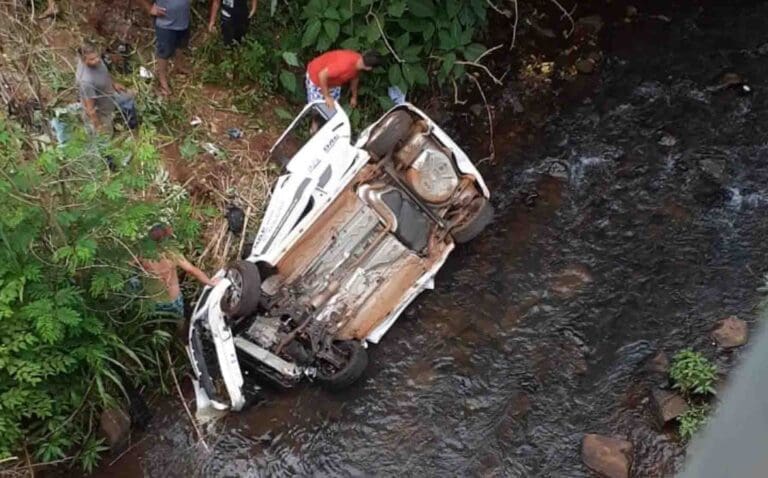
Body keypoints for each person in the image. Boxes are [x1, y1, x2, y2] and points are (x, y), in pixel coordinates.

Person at [139, 224, 220, 317]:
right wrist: (211, 283)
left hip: (154, 301)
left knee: (156, 325)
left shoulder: (141, 253)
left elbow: (128, 265)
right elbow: (192, 270)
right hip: (173, 300)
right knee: (179, 321)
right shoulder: (171, 252)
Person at [305, 49, 383, 130]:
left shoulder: (359, 62)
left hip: (333, 82)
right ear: (369, 68)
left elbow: (354, 78)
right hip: (316, 77)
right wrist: (327, 96)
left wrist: (354, 96)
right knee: (317, 106)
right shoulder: (343, 65)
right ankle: (314, 127)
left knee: (331, 107)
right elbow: (322, 75)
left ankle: (325, 125)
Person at [75, 42, 131, 135]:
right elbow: (90, 110)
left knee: (130, 97)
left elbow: (104, 73)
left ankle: (126, 123)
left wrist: (114, 84)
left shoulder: (98, 61)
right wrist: (98, 125)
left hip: (110, 95)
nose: (97, 60)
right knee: (105, 137)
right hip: (101, 112)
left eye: (97, 56)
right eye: (92, 59)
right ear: (83, 60)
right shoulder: (86, 82)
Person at [140, 0, 191, 96]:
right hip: (166, 24)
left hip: (183, 20)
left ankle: (178, 66)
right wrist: (149, 8)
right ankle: (162, 81)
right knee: (164, 52)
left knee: (181, 45)